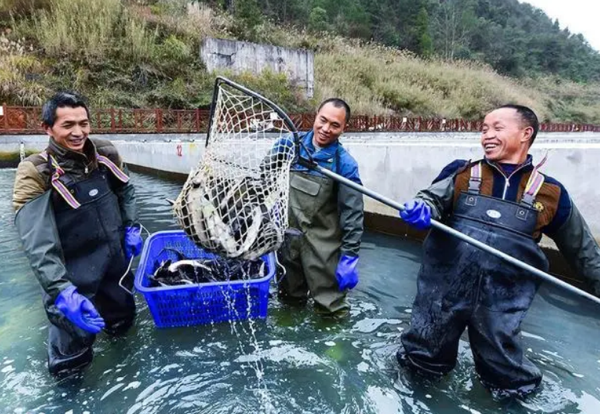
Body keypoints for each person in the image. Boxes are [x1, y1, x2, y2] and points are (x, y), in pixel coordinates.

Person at [397, 104, 600, 397]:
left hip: (501, 304)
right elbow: (431, 198)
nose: (487, 136)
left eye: (497, 128)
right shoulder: (462, 173)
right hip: (442, 294)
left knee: (510, 382)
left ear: (525, 133)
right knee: (420, 362)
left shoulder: (551, 194)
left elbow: (584, 253)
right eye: (484, 129)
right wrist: (422, 207)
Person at [12, 91, 143, 375]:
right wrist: (61, 292)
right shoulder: (35, 172)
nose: (78, 132)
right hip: (72, 278)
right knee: (69, 362)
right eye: (67, 125)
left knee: (124, 329)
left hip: (115, 270)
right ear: (47, 128)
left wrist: (132, 225)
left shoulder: (105, 153)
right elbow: (38, 244)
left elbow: (126, 189)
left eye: (83, 123)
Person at [278, 98, 364, 317]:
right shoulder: (289, 146)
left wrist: (349, 256)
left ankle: (333, 348)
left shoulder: (344, 164)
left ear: (344, 128)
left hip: (323, 246)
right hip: (288, 240)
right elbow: (263, 183)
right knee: (288, 301)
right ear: (315, 115)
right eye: (322, 120)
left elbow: (352, 215)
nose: (326, 129)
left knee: (331, 309)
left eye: (335, 125)